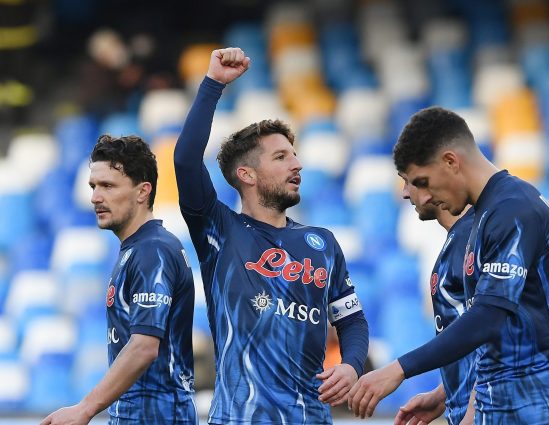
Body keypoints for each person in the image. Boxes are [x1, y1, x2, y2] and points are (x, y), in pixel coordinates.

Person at [348, 107, 549, 424]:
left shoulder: (513, 209)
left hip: (542, 403)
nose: (415, 195)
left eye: (422, 181)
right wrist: (446, 392)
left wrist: (399, 369)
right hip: (502, 401)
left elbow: (489, 316)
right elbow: (500, 335)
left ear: (451, 161)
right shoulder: (487, 216)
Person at [174, 47, 369, 425]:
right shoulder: (219, 230)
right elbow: (184, 160)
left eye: (294, 155)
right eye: (281, 157)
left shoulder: (323, 244)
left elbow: (352, 320)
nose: (297, 164)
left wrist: (352, 366)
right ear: (246, 174)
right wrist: (213, 84)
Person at [42, 135, 197, 425]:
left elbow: (144, 347)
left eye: (108, 186)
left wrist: (85, 408)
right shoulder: (136, 250)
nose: (95, 197)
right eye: (93, 186)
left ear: (143, 192)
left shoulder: (153, 251)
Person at [394, 173, 476, 425]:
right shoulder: (456, 241)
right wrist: (443, 394)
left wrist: (474, 414)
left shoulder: (479, 239)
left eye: (409, 180)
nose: (404, 193)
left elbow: (498, 336)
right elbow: (473, 344)